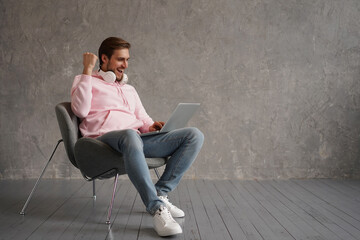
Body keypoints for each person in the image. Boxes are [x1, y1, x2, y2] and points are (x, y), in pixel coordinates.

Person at [70, 37, 204, 237]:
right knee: (131, 136)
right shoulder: (86, 81)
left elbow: (142, 118)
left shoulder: (129, 90)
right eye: (120, 59)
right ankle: (156, 208)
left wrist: (151, 127)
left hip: (134, 141)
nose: (125, 65)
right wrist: (87, 70)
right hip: (102, 143)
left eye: (127, 60)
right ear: (104, 59)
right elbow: (80, 110)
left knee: (194, 135)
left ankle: (160, 192)